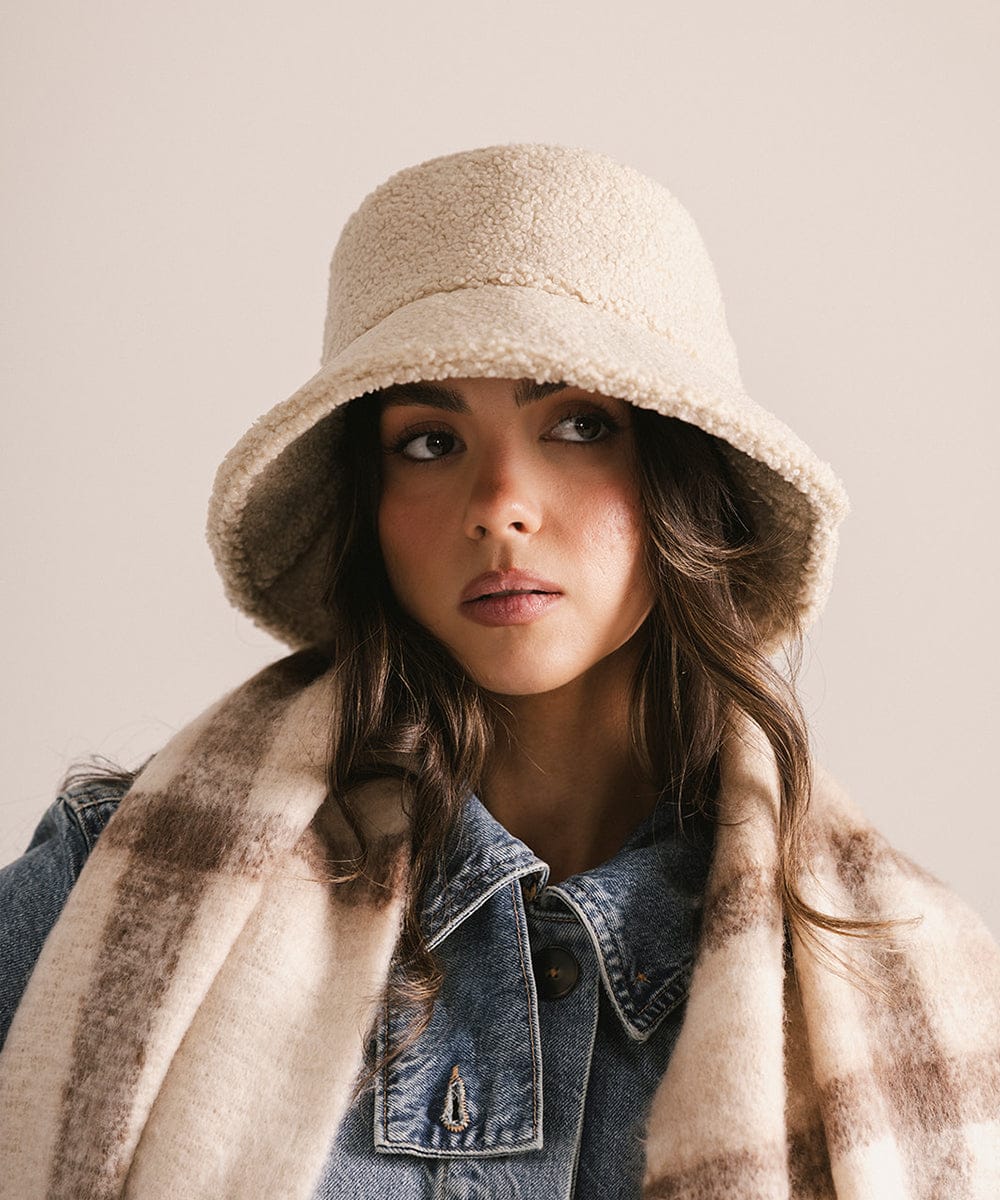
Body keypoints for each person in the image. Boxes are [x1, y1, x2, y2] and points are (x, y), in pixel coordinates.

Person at [1, 143, 997, 1200]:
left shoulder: (909, 976)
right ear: (368, 507)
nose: (500, 503)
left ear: (681, 479)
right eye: (427, 441)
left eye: (578, 424)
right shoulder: (108, 893)